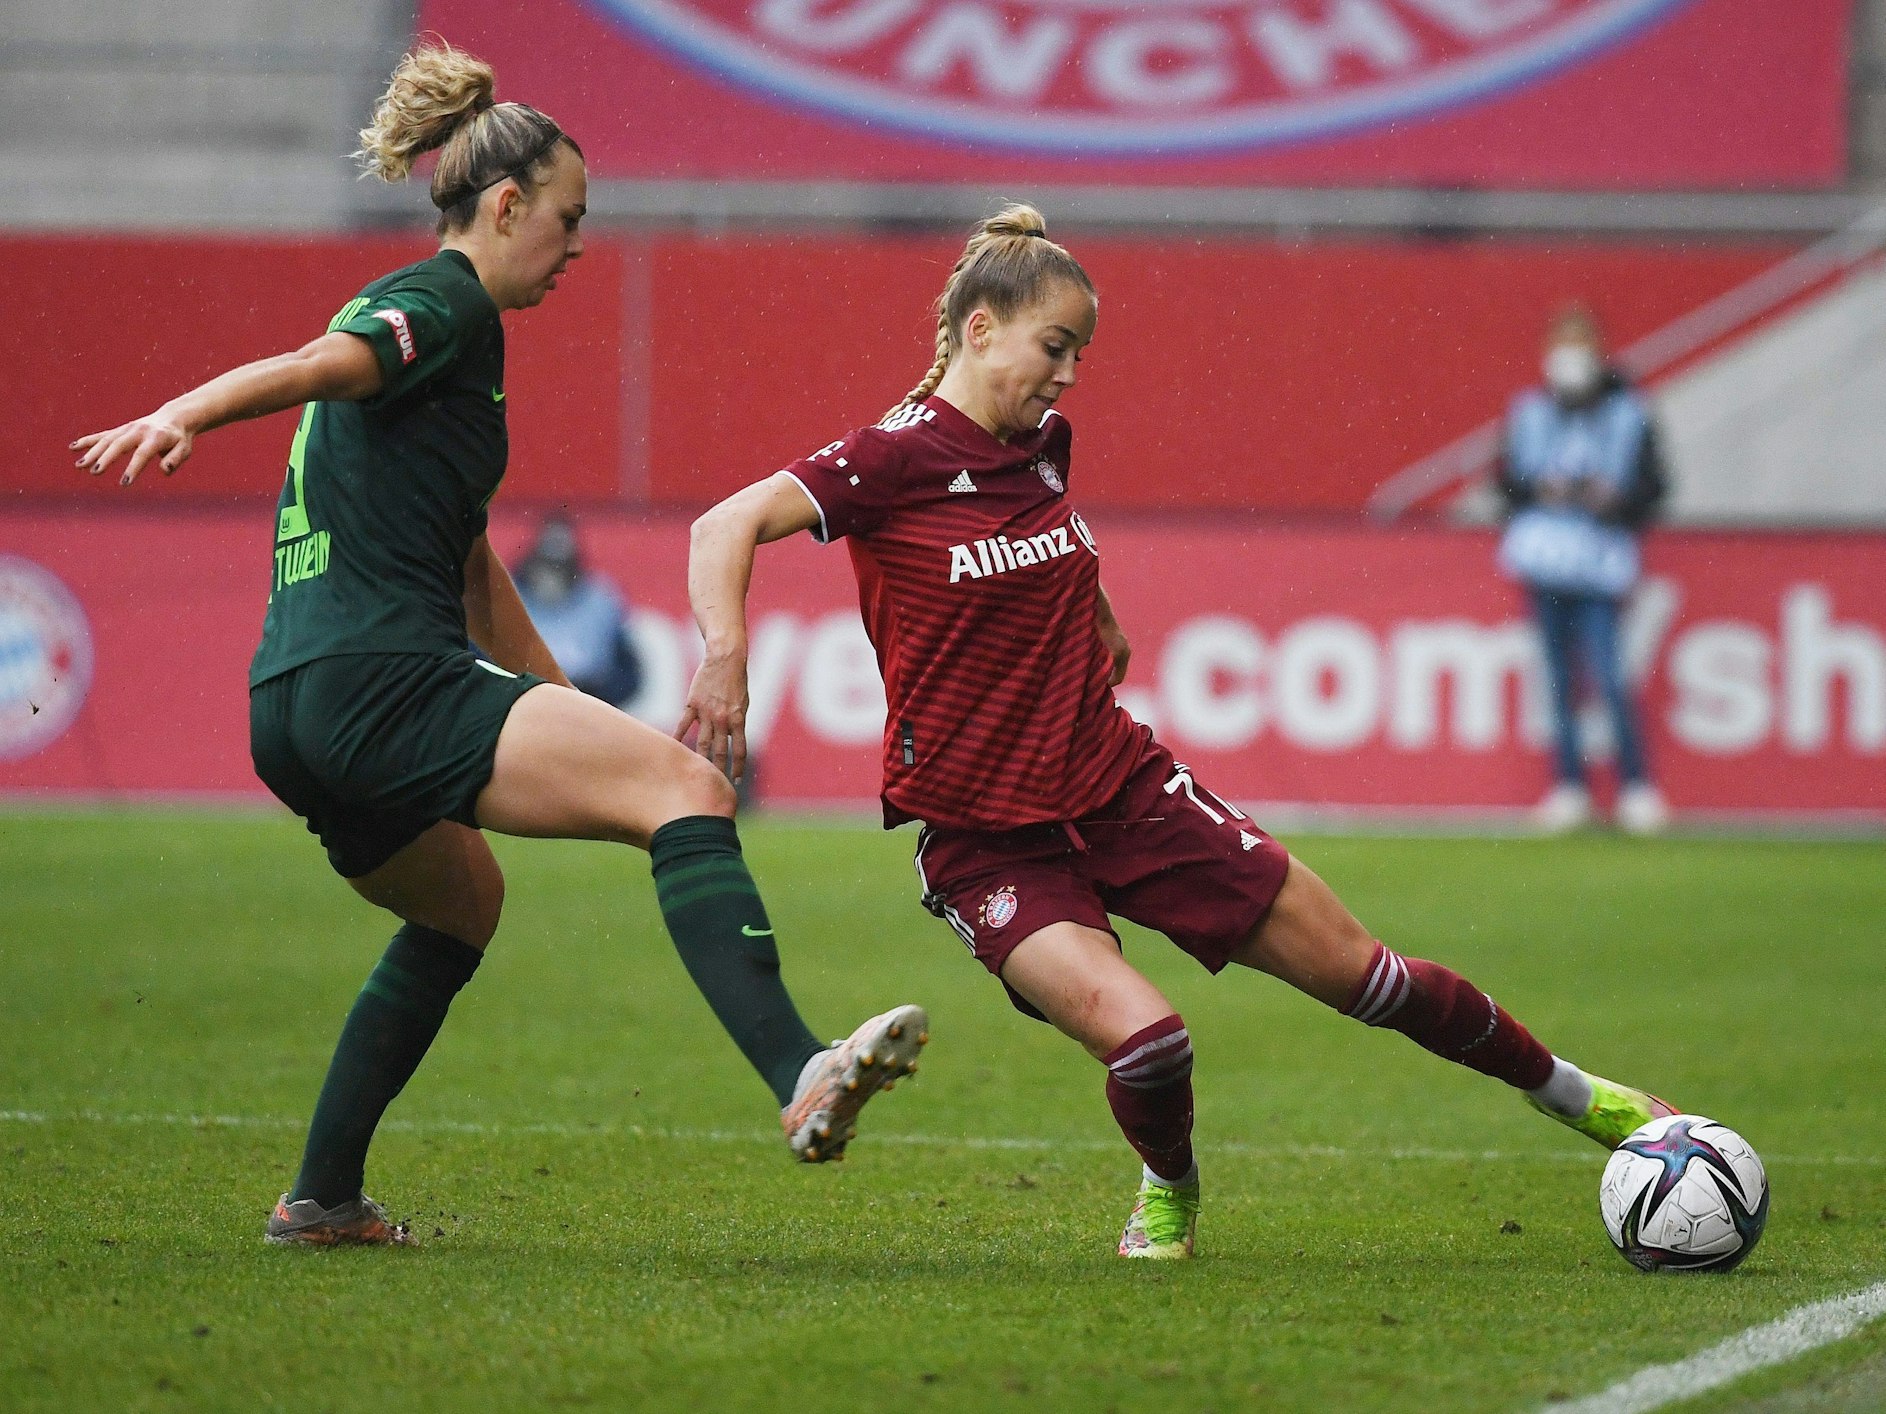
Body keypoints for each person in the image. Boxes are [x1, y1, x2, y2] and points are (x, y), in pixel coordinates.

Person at [682, 206, 1679, 1261]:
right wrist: (726, 653)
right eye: (1053, 346)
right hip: (986, 841)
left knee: (1370, 976)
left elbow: (1043, 537)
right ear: (980, 329)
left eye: (1079, 352)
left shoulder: (1040, 447)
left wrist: (1098, 615)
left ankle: (1581, 1097)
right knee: (1152, 1046)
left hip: (1122, 789)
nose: (1068, 374)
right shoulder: (890, 458)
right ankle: (1169, 1186)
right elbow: (722, 524)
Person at [71, 41, 922, 1248]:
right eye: (568, 219)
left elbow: (469, 564)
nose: (577, 246)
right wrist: (187, 411)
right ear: (507, 204)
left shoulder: (450, 342)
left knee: (461, 903)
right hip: (385, 680)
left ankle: (321, 1198)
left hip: (294, 705)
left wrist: (569, 711)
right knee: (689, 790)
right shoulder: (447, 301)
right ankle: (799, 1069)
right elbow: (324, 367)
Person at [1496, 303, 1670, 835]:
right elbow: (1505, 483)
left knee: (1610, 676)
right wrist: (1539, 489)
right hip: (1544, 562)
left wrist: (1613, 501)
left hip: (1599, 565)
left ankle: (1636, 786)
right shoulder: (1530, 411)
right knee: (1558, 681)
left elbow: (1655, 489)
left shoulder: (1629, 412)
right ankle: (1569, 786)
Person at [514, 512, 643, 705]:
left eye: (560, 568)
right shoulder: (509, 596)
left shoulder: (600, 601)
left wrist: (597, 695)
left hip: (586, 705)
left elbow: (628, 674)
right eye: (547, 565)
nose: (552, 578)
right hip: (524, 704)